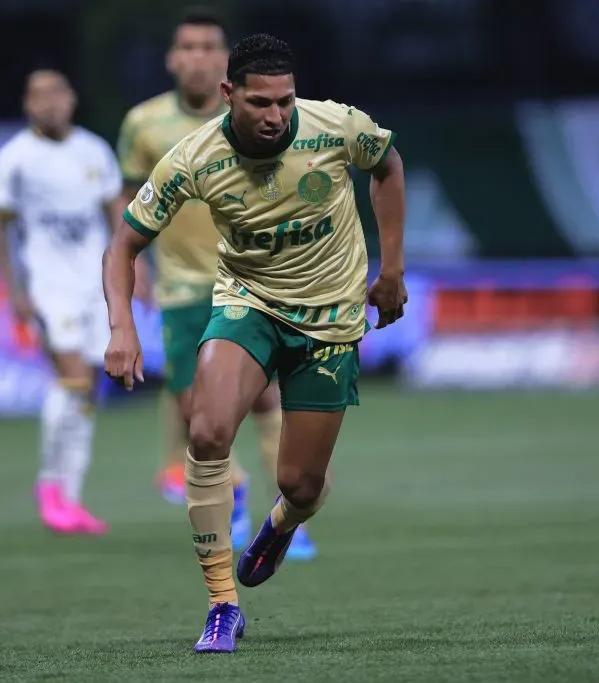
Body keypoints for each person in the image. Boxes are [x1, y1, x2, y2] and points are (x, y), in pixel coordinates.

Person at [103, 34, 408, 652]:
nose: (276, 116)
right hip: (249, 305)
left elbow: (388, 167)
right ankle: (221, 604)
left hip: (329, 320)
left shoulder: (335, 126)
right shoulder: (193, 158)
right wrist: (121, 326)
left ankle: (281, 524)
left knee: (300, 483)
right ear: (228, 95)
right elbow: (124, 243)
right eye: (261, 103)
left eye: (284, 101)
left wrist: (392, 269)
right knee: (207, 431)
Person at [115, 8, 315, 558]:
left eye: (209, 46)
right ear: (172, 58)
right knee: (194, 414)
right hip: (180, 288)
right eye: (189, 46)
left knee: (267, 401)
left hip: (250, 284)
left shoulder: (259, 119)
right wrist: (136, 276)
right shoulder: (144, 124)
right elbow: (128, 204)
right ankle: (240, 489)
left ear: (225, 65)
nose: (198, 56)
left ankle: (284, 520)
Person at [0, 67, 123, 535]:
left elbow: (115, 213)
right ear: (27, 105)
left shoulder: (94, 150)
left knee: (87, 390)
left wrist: (130, 267)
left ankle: (71, 495)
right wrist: (14, 288)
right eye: (38, 95)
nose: (48, 103)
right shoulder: (15, 158)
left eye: (56, 93)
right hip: (49, 286)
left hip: (94, 285)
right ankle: (49, 486)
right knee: (73, 379)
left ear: (71, 98)